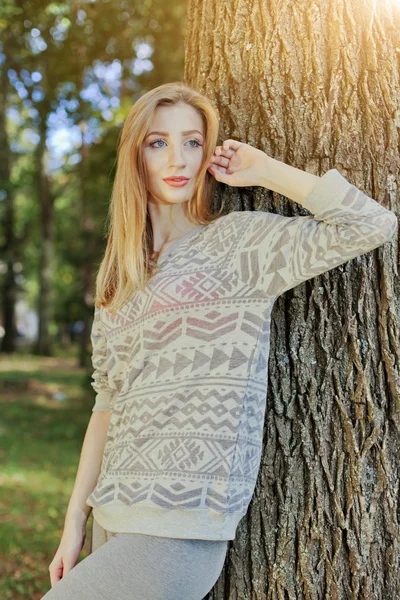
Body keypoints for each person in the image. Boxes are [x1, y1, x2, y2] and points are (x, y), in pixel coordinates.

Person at [42, 81, 398, 599]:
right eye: (158, 142)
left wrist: (266, 170)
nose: (177, 158)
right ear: (135, 154)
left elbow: (371, 223)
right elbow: (108, 399)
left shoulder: (239, 244)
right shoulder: (119, 274)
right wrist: (75, 520)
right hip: (113, 513)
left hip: (181, 527)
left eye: (192, 141)